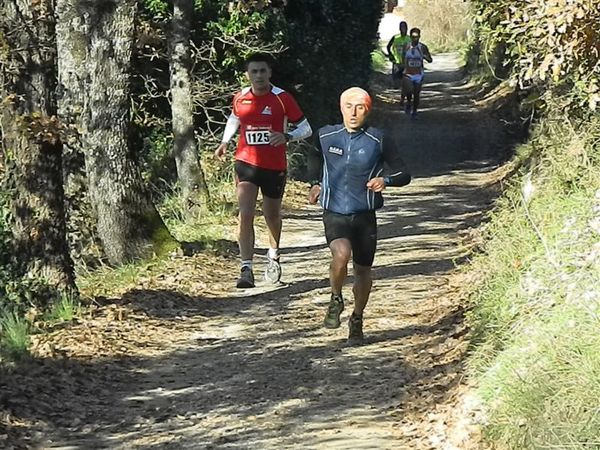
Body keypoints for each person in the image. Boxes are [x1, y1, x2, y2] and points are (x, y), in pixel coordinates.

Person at [307, 87, 411, 344]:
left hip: (364, 216)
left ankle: (357, 318)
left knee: (363, 270)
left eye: (360, 107)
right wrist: (315, 182)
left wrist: (385, 180)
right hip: (334, 211)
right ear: (341, 108)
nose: (353, 113)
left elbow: (404, 174)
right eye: (348, 106)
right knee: (340, 255)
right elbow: (313, 157)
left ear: (368, 110)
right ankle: (335, 297)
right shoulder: (325, 135)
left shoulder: (379, 139)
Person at [215, 53, 312, 288]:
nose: (258, 76)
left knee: (271, 215)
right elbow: (234, 118)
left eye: (262, 71)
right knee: (245, 213)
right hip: (245, 162)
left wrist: (286, 136)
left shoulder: (282, 98)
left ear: (269, 73)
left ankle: (274, 255)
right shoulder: (240, 98)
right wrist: (225, 141)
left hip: (274, 166)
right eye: (254, 71)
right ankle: (246, 268)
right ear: (247, 75)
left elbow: (306, 128)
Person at [401, 27, 432, 119]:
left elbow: (430, 60)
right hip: (408, 74)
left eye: (417, 37)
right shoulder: (406, 46)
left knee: (416, 94)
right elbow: (403, 57)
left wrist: (425, 56)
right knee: (409, 91)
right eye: (413, 37)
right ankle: (409, 103)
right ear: (410, 37)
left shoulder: (422, 47)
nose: (415, 39)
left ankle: (414, 112)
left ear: (419, 37)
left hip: (418, 74)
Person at [386, 20, 411, 103]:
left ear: (407, 29)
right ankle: (398, 99)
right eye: (402, 28)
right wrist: (391, 55)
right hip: (396, 63)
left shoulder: (409, 38)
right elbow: (388, 46)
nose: (403, 30)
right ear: (399, 29)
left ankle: (405, 99)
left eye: (405, 28)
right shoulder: (395, 37)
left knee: (406, 82)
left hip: (407, 63)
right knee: (397, 83)